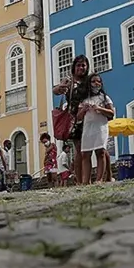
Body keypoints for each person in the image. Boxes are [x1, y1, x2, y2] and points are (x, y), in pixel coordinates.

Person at [52, 55, 91, 183]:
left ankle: (88, 179)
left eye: (83, 65)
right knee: (79, 150)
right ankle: (80, 180)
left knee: (89, 151)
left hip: (89, 117)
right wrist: (61, 87)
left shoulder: (88, 81)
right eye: (79, 65)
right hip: (75, 119)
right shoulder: (70, 80)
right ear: (74, 67)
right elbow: (56, 90)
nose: (81, 68)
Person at [78, 74, 114, 185]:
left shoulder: (105, 98)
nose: (96, 83)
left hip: (100, 127)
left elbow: (111, 113)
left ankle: (99, 179)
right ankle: (85, 181)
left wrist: (99, 108)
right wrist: (83, 109)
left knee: (101, 152)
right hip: (88, 128)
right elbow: (78, 117)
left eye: (98, 81)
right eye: (93, 81)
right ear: (89, 84)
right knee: (85, 154)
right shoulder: (84, 100)